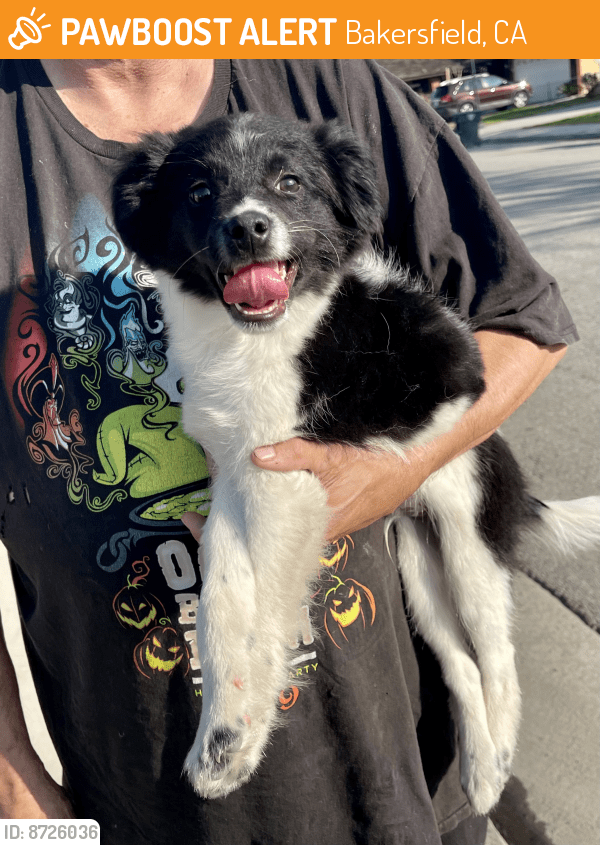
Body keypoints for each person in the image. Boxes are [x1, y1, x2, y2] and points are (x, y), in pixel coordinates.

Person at [0, 59, 575, 844]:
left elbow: (526, 323)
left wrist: (386, 469)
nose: (245, 213)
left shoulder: (329, 82)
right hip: (127, 808)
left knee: (460, 612)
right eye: (207, 196)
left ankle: (489, 730)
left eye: (284, 186)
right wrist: (16, 800)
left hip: (397, 795)